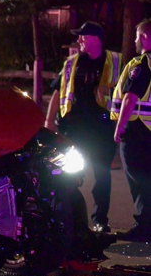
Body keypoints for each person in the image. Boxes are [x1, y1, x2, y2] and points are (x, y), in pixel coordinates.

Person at [44, 21, 120, 233]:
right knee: (66, 175)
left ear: (95, 39)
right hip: (74, 130)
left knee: (102, 177)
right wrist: (49, 121)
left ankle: (99, 221)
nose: (79, 41)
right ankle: (69, 221)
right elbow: (58, 92)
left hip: (102, 130)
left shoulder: (116, 62)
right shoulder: (72, 63)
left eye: (83, 37)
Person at [111, 18, 151, 242]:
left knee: (139, 179)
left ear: (145, 36)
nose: (135, 40)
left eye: (137, 36)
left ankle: (144, 228)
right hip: (149, 129)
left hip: (137, 129)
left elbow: (130, 98)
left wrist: (120, 126)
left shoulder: (142, 64)